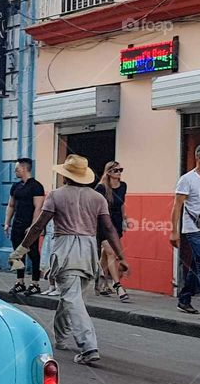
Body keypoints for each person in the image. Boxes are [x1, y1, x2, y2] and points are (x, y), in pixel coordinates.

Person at [10, 155, 128, 365]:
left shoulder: (56, 195)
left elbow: (38, 225)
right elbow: (109, 228)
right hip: (89, 250)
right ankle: (61, 337)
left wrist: (21, 249)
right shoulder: (97, 198)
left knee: (71, 298)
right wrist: (121, 256)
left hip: (65, 249)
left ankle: (88, 346)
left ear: (65, 175)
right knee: (72, 296)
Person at [172, 143, 200, 314]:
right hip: (193, 228)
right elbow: (177, 206)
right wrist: (174, 231)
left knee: (197, 264)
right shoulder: (187, 179)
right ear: (198, 157)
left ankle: (184, 299)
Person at [3, 158, 46, 295]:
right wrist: (7, 223)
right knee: (17, 254)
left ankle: (35, 284)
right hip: (17, 225)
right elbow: (11, 205)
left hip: (30, 226)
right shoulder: (15, 186)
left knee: (33, 254)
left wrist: (33, 226)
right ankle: (20, 282)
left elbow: (38, 208)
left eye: (16, 168)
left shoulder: (36, 186)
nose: (15, 171)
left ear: (24, 168)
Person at [96, 161, 129, 302]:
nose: (119, 173)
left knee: (106, 253)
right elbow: (95, 207)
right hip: (103, 222)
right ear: (108, 172)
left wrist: (124, 219)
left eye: (120, 170)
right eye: (116, 170)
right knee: (111, 252)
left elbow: (122, 203)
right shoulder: (101, 188)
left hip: (116, 222)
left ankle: (100, 282)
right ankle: (117, 286)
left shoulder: (123, 186)